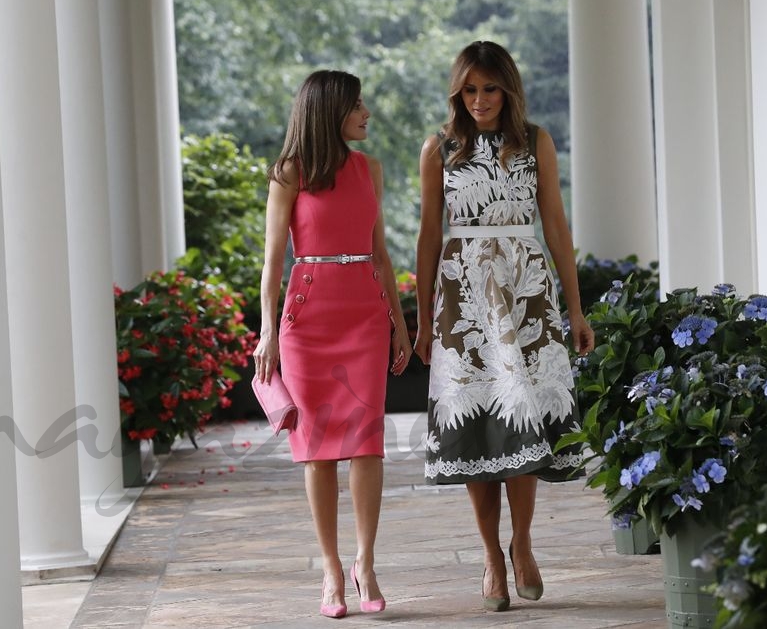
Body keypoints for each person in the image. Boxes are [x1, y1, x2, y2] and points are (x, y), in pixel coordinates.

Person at [413, 41, 594, 611]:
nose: (480, 100)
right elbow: (427, 235)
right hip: (462, 299)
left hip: (526, 292)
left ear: (508, 89)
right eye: (470, 90)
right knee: (478, 424)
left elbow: (556, 224)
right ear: (457, 91)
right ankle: (491, 555)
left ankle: (523, 543)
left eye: (490, 89)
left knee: (525, 418)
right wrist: (422, 318)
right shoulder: (437, 149)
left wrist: (576, 305)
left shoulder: (535, 141)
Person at [254, 70, 412, 618]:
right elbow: (274, 261)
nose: (367, 113)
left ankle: (365, 563)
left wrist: (400, 320)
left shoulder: (369, 169)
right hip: (308, 319)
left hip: (364, 316)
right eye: (358, 105)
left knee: (367, 442)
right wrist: (267, 331)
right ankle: (329, 569)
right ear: (330, 110)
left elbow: (381, 254)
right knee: (317, 450)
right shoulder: (289, 172)